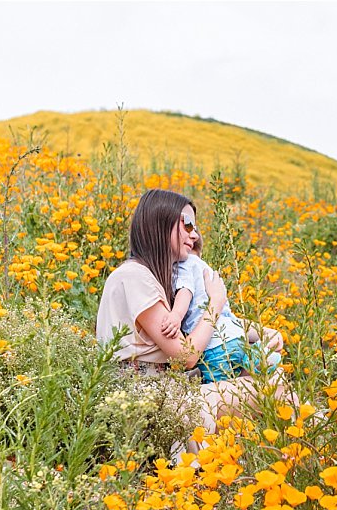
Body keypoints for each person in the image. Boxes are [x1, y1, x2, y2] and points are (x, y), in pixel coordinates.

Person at [95, 189, 293, 463]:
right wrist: (216, 300)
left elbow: (200, 325)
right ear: (159, 223)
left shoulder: (155, 278)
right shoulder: (133, 277)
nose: (194, 234)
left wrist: (260, 332)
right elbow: (186, 356)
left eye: (195, 227)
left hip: (167, 395)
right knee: (274, 387)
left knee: (267, 380)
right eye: (186, 224)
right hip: (151, 405)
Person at [160, 231, 282, 383]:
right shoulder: (209, 273)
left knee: (219, 390)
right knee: (241, 385)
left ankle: (256, 361)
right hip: (236, 337)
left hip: (215, 345)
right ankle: (257, 357)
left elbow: (185, 290)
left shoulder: (185, 263)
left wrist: (176, 315)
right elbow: (227, 316)